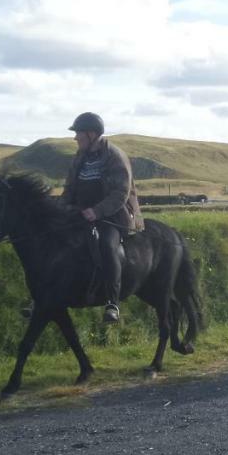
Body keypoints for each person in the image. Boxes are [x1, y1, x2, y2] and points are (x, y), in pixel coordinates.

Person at [61, 112, 144, 323]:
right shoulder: (79, 157)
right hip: (81, 212)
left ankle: (112, 302)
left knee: (107, 246)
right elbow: (69, 188)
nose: (75, 138)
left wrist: (96, 211)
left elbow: (120, 193)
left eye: (78, 133)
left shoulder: (115, 156)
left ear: (92, 134)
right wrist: (60, 209)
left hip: (113, 216)